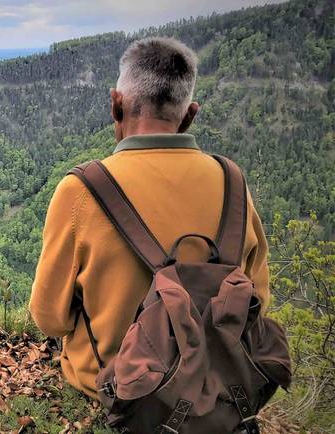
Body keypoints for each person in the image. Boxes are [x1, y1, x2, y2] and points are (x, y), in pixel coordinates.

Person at [28, 37, 270, 399]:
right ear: (190, 115)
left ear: (116, 105)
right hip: (211, 395)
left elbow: (50, 319)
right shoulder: (233, 184)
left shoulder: (80, 191)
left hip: (112, 393)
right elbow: (257, 302)